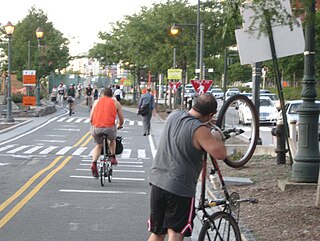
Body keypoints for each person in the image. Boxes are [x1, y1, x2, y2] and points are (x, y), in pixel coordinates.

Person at [147, 93, 227, 241]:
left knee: (157, 232)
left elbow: (185, 130)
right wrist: (215, 136)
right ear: (211, 115)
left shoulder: (174, 115)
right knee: (176, 233)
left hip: (158, 181)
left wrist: (206, 125)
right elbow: (220, 153)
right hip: (179, 187)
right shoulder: (200, 130)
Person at [90, 87, 124, 177]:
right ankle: (113, 157)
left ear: (102, 95)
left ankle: (94, 163)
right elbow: (121, 119)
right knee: (112, 140)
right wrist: (119, 125)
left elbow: (91, 118)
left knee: (98, 145)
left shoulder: (96, 102)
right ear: (112, 95)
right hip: (109, 128)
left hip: (96, 128)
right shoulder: (116, 103)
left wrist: (93, 124)